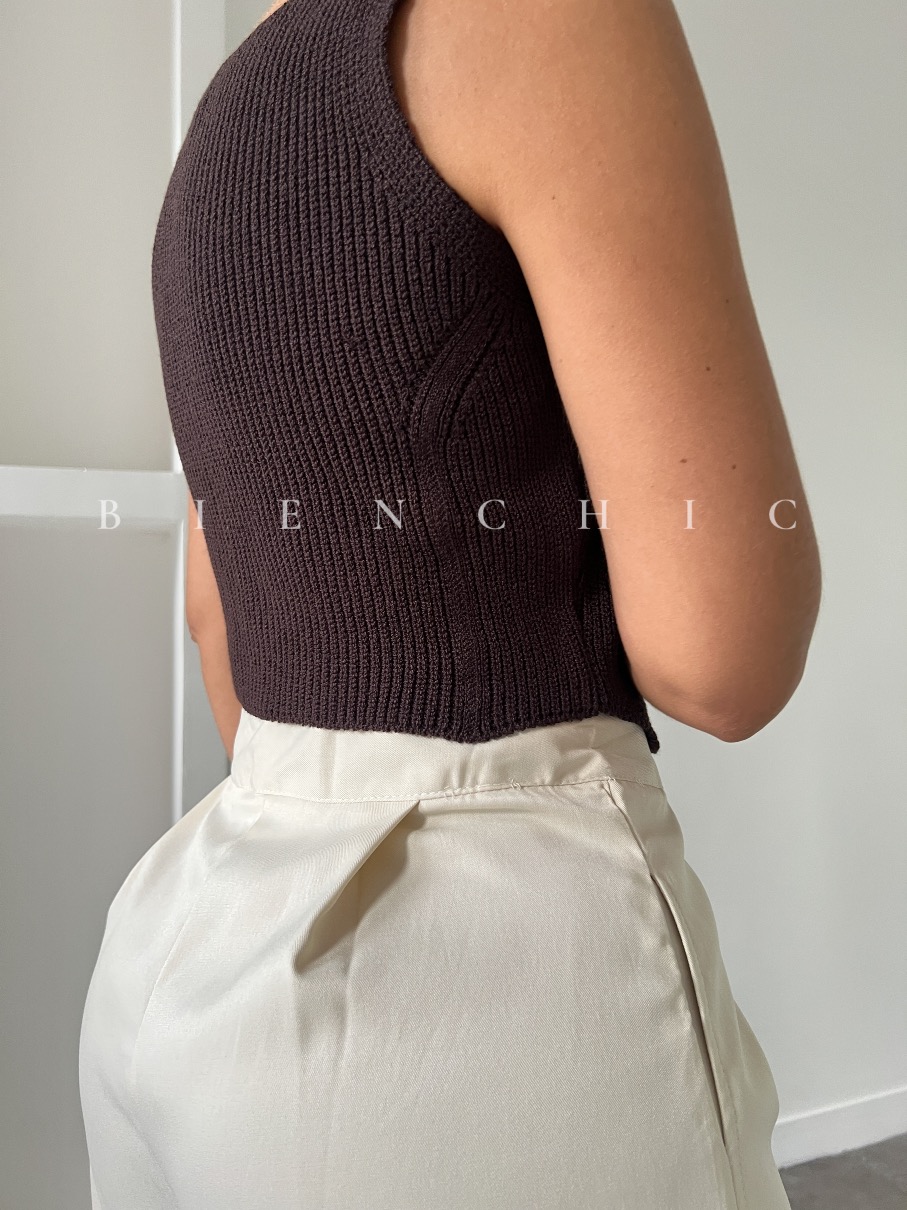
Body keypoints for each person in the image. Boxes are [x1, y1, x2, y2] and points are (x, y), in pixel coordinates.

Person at [79, 0, 820, 1206]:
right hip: (490, 989)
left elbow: (219, 621)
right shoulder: (548, 19)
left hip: (191, 951)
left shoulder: (232, 102)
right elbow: (723, 656)